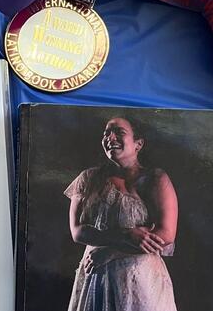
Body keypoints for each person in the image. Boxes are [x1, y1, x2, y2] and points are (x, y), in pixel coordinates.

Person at [65, 117, 178, 311]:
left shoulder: (155, 179)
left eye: (119, 132)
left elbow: (166, 234)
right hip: (97, 276)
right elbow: (77, 231)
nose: (110, 137)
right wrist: (125, 235)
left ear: (138, 144)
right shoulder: (88, 178)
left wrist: (112, 251)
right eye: (106, 133)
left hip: (140, 280)